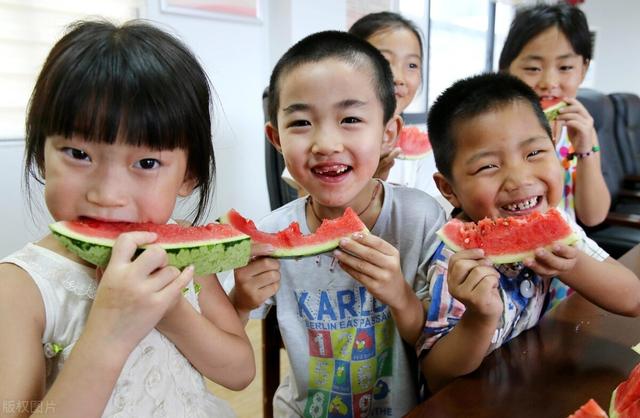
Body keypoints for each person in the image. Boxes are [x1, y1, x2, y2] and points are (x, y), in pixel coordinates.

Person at [0, 20, 254, 418]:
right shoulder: (18, 289)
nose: (107, 194)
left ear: (188, 176)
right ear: (39, 155)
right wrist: (111, 331)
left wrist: (172, 313)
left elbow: (240, 371)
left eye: (147, 162)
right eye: (78, 154)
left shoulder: (186, 259)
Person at [232, 31, 445, 417]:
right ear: (275, 138)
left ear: (388, 133)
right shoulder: (271, 234)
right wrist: (241, 302)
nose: (326, 143)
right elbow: (229, 346)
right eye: (300, 122)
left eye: (350, 118)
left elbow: (437, 347)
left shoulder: (421, 218)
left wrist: (400, 295)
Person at [417, 72, 640, 394]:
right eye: (488, 166)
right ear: (449, 189)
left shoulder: (557, 224)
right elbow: (437, 376)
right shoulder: (457, 262)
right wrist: (479, 316)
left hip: (540, 381)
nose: (519, 179)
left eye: (534, 153)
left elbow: (632, 299)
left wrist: (574, 264)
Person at [281, 12, 447, 212]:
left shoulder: (429, 152)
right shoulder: (319, 141)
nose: (399, 77)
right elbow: (310, 216)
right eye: (383, 62)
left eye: (412, 65)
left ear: (391, 132)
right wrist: (362, 182)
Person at [499, 3, 610, 227]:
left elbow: (593, 216)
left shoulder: (579, 132)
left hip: (569, 248)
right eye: (533, 68)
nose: (549, 83)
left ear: (583, 70)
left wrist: (585, 148)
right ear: (506, 69)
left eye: (565, 67)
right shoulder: (495, 131)